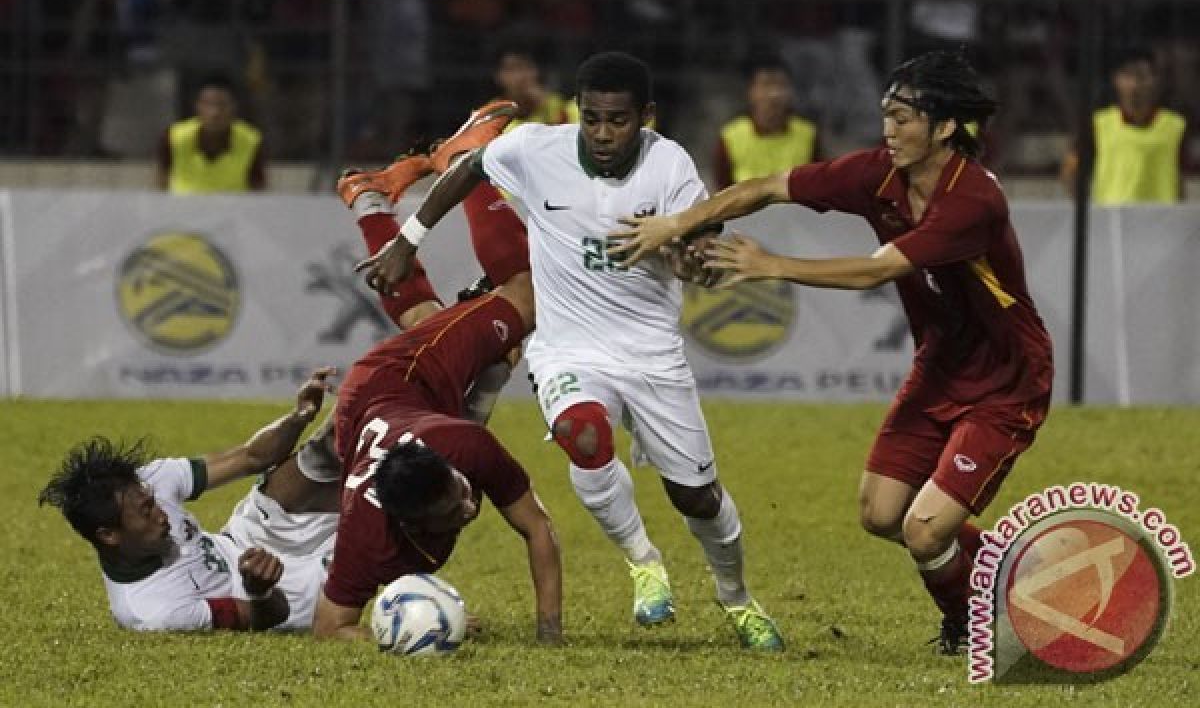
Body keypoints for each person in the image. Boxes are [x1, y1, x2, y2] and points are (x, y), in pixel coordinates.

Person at [609, 50, 1054, 654]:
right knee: (880, 512)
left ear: (945, 127)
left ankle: (972, 625)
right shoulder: (878, 175)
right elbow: (767, 187)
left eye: (904, 118)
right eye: (886, 116)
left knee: (925, 531)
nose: (889, 130)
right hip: (941, 365)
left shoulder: (972, 199)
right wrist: (677, 224)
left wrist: (770, 266)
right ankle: (1005, 570)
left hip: (1008, 380)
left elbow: (876, 272)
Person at [357, 51, 785, 652]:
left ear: (647, 117)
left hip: (651, 351)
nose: (603, 133)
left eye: (618, 121)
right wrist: (408, 239)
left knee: (696, 497)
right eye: (593, 119)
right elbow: (470, 168)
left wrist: (694, 263)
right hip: (567, 346)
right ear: (578, 113)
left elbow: (700, 248)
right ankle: (643, 563)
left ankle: (736, 597)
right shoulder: (539, 147)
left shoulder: (670, 167)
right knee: (581, 435)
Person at [314, 102, 564, 645]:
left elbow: (537, 527)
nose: (469, 506)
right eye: (454, 510)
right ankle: (368, 199)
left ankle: (465, 160)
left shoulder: (463, 449)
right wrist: (402, 633)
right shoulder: (367, 535)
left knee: (527, 295)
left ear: (448, 467)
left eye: (459, 493)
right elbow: (329, 628)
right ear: (409, 521)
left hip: (398, 379)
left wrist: (550, 636)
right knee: (426, 319)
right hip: (379, 408)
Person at [38, 370, 340, 632]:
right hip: (274, 592)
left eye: (154, 502)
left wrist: (299, 417)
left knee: (333, 442)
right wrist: (258, 591)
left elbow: (250, 457)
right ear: (109, 535)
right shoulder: (154, 611)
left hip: (247, 536)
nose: (162, 515)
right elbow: (266, 618)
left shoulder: (146, 482)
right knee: (375, 534)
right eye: (146, 511)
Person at [1060, 48, 1187, 204]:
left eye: (1142, 76)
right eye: (1128, 76)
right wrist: (1087, 208)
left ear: (1155, 80)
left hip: (1160, 220)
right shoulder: (1098, 124)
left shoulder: (1175, 126)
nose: (1135, 84)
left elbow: (1180, 179)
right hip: (1113, 220)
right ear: (1116, 80)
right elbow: (1070, 170)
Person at [713, 55, 820, 192]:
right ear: (751, 91)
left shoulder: (808, 134)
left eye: (781, 85)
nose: (774, 94)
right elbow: (721, 194)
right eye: (766, 85)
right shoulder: (730, 138)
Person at [157, 74, 266, 194]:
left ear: (234, 107)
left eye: (222, 105)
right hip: (183, 210)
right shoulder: (173, 137)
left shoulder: (251, 140)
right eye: (208, 104)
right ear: (197, 106)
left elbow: (259, 191)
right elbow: (161, 186)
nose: (215, 112)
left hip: (233, 210)